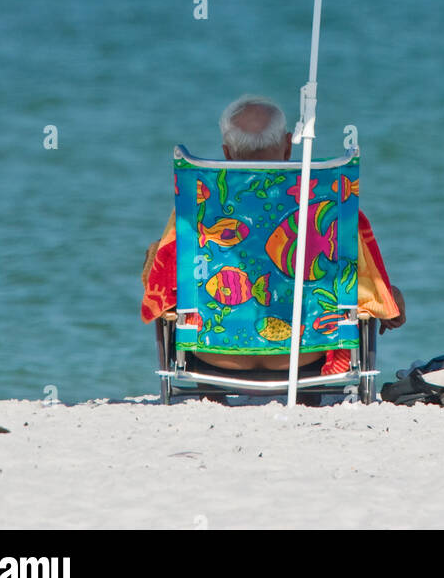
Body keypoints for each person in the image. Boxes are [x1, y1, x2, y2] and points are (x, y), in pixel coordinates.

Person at [141, 95, 405, 375]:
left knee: (158, 252)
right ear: (288, 145)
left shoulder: (197, 205)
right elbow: (360, 277)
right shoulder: (328, 203)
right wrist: (391, 299)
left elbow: (162, 279)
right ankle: (308, 396)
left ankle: (213, 391)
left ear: (227, 152)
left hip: (212, 356)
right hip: (305, 355)